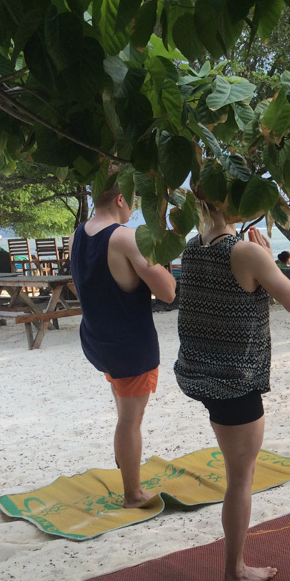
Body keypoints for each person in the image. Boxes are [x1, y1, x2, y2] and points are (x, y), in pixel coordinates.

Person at [174, 200, 290, 581]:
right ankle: (235, 570)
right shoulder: (245, 251)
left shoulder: (192, 245)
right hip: (234, 381)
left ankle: (235, 566)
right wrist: (272, 262)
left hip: (199, 373)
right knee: (240, 479)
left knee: (239, 473)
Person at [69, 183, 177, 508]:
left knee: (122, 410)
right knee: (130, 421)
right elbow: (168, 292)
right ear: (120, 199)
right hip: (130, 345)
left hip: (96, 339)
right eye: (133, 200)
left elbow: (81, 286)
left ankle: (124, 462)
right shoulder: (125, 237)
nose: (133, 207)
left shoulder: (79, 233)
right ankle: (133, 493)